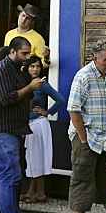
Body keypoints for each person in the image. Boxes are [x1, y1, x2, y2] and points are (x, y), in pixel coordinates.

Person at [0, 37, 44, 213]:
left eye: (28, 53)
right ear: (12, 52)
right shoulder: (2, 70)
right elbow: (7, 98)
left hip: (6, 130)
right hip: (2, 130)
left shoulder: (14, 71)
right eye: (24, 53)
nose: (27, 57)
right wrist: (30, 88)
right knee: (10, 175)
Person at [67, 40, 106, 213]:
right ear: (95, 59)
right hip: (86, 137)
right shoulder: (83, 76)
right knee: (82, 180)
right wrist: (82, 138)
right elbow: (74, 110)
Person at [23, 54, 65, 204]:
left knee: (38, 158)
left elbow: (60, 99)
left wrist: (47, 112)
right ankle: (31, 190)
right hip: (29, 124)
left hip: (39, 124)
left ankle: (40, 192)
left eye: (38, 66)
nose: (35, 69)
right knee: (32, 158)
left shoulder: (42, 84)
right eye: (32, 66)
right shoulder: (25, 83)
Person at [4, 4, 52, 68]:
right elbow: (5, 55)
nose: (24, 19)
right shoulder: (9, 34)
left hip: (26, 75)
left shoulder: (38, 38)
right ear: (19, 15)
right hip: (9, 72)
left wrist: (46, 58)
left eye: (28, 18)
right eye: (23, 15)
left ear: (32, 22)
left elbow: (42, 64)